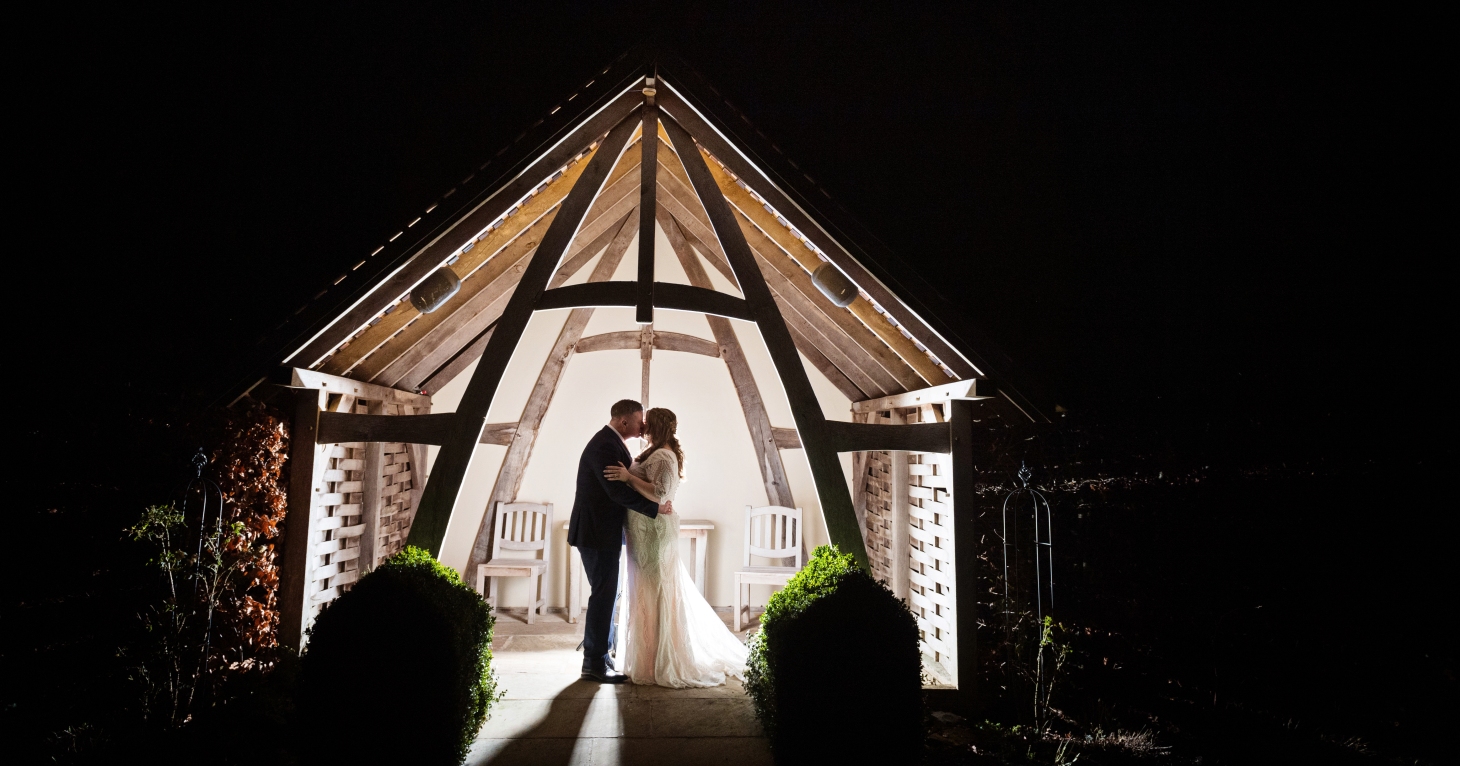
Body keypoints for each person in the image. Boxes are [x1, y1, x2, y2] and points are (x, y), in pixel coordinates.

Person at [605, 407, 749, 687]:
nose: (643, 426)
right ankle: (644, 656)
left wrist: (628, 478)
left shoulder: (664, 455)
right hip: (642, 527)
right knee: (644, 589)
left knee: (656, 589)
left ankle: (659, 658)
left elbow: (660, 493)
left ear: (656, 427)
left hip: (653, 530)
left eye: (647, 423)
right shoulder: (654, 451)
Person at [568, 399, 673, 684]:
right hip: (595, 532)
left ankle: (601, 653)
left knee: (606, 594)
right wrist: (655, 509)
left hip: (599, 531)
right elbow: (616, 492)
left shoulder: (611, 442)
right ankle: (593, 663)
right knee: (603, 595)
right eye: (640, 421)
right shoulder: (605, 445)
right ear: (625, 422)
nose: (643, 426)